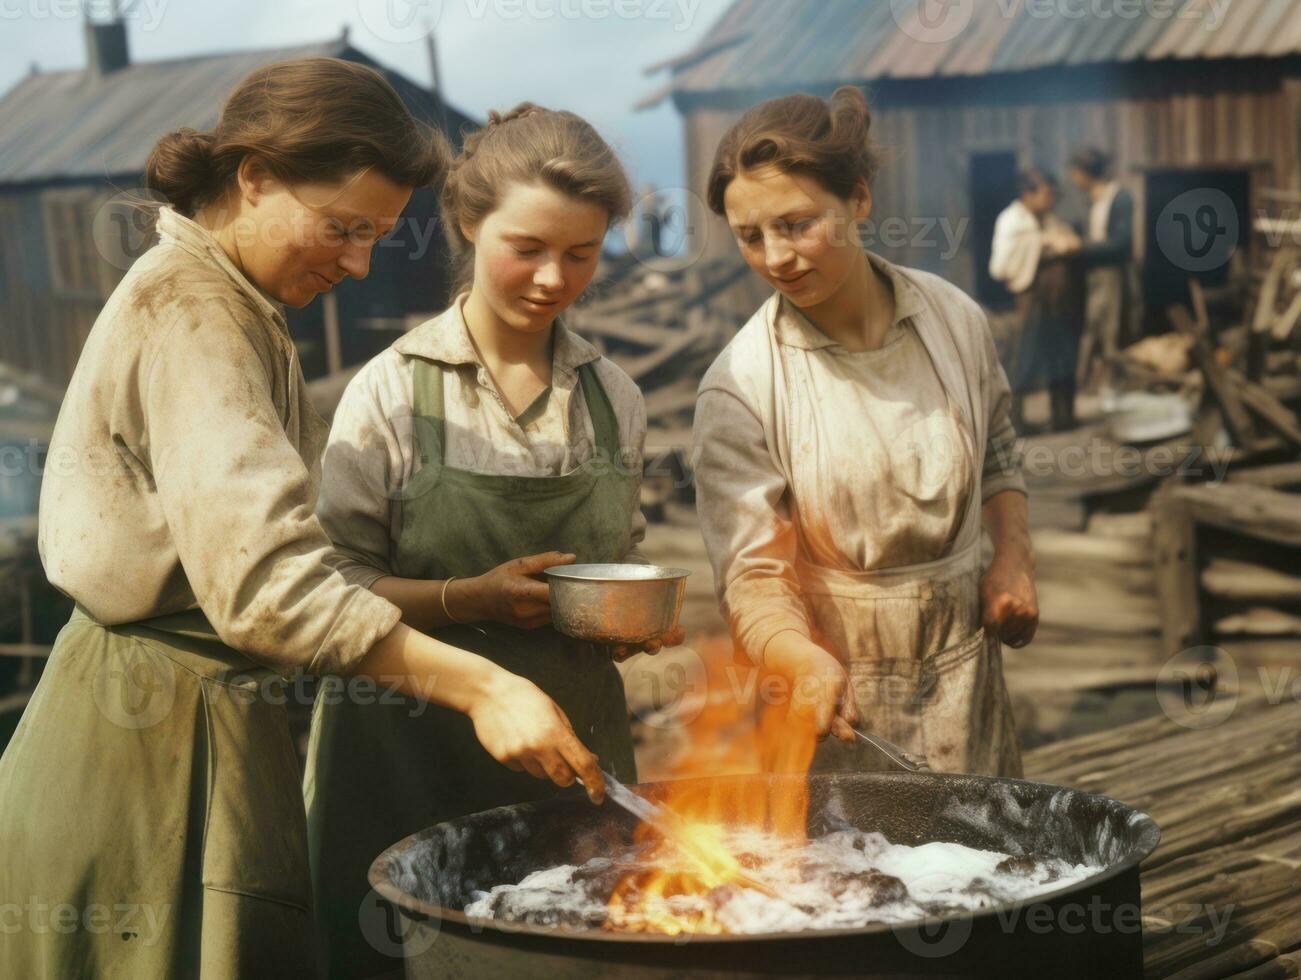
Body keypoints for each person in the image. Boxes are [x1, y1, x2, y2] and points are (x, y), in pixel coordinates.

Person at [0, 60, 603, 978]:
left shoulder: (238, 303)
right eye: (342, 228)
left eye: (375, 237)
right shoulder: (194, 310)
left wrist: (463, 607)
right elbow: (269, 588)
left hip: (198, 717)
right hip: (146, 741)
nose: (357, 263)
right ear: (254, 176)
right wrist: (484, 687)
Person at [305, 102, 678, 978]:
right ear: (471, 225)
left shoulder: (610, 396)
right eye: (527, 248)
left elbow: (621, 551)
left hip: (571, 757)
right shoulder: (393, 391)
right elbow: (325, 587)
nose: (553, 278)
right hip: (404, 753)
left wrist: (632, 622)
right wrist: (461, 599)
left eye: (580, 254)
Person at [693, 87, 1036, 779]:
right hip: (837, 707)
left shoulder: (952, 318)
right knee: (861, 878)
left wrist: (1012, 558)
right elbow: (751, 575)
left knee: (986, 872)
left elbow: (996, 445)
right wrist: (797, 656)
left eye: (795, 224)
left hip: (968, 675)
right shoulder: (741, 385)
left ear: (856, 199)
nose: (774, 258)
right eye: (749, 236)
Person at [990, 167, 1086, 432]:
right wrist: (1042, 243)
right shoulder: (1012, 221)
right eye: (1045, 194)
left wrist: (1054, 241)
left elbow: (1071, 243)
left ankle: (1063, 417)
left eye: (1052, 194)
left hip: (1059, 299)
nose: (1050, 199)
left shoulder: (1050, 219)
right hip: (1031, 298)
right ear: (1026, 194)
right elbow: (1000, 266)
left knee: (1062, 354)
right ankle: (1017, 422)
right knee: (1025, 356)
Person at [1068, 146, 1139, 391]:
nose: (1073, 178)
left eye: (1075, 172)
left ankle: (1112, 385)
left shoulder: (1119, 198)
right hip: (1093, 273)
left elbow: (1120, 243)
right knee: (1091, 327)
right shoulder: (1091, 201)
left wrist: (1080, 247)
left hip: (1111, 273)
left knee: (1111, 329)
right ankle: (1088, 383)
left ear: (1087, 173)